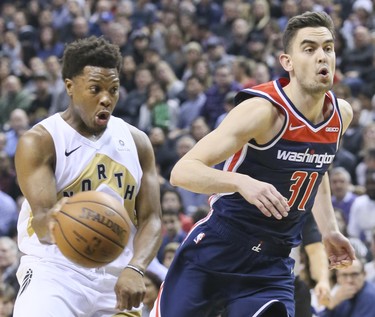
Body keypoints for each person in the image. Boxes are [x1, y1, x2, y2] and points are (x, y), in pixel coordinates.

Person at [150, 12, 355, 317]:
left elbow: (317, 168)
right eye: (309, 49)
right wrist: (240, 182)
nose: (322, 56)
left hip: (271, 267)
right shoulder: (262, 112)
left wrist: (329, 230)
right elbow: (182, 171)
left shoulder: (341, 115)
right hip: (216, 251)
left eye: (328, 48)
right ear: (288, 62)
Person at [13, 36, 162, 317]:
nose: (106, 98)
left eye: (114, 90)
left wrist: (135, 267)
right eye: (95, 88)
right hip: (56, 272)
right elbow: (43, 223)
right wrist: (75, 222)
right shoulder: (41, 140)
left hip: (117, 280)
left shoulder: (137, 142)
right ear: (70, 86)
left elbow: (152, 219)